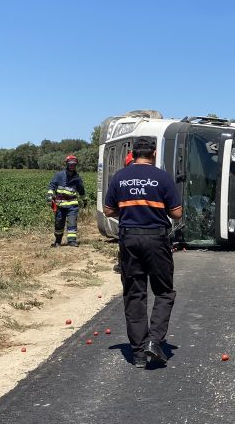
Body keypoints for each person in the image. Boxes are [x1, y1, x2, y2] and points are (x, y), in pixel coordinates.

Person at [103, 139, 182, 368]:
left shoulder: (120, 177)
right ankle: (154, 342)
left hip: (129, 238)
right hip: (156, 239)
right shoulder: (163, 177)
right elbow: (176, 213)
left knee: (134, 293)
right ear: (154, 154)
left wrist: (129, 210)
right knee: (164, 291)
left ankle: (138, 352)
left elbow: (108, 209)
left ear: (133, 153)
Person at [47, 154, 87, 247]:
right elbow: (52, 187)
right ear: (67, 164)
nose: (72, 166)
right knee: (59, 223)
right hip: (60, 205)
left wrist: (84, 200)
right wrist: (49, 197)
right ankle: (57, 241)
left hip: (72, 205)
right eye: (70, 164)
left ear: (76, 165)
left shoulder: (77, 178)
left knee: (72, 222)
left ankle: (72, 241)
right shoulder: (59, 175)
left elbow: (81, 190)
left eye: (74, 164)